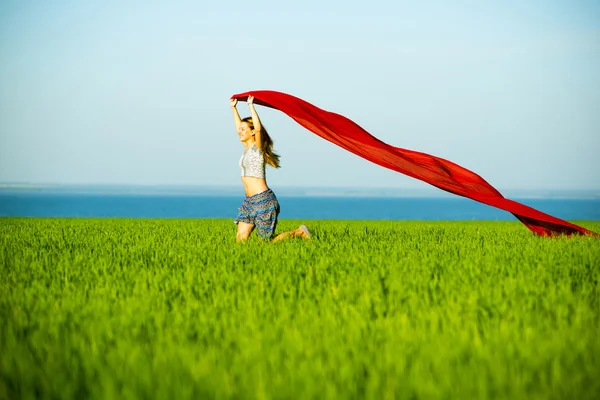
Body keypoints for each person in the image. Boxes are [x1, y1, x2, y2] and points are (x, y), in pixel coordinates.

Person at [230, 95, 311, 242]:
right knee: (240, 240)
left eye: (244, 130)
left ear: (252, 132)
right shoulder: (247, 149)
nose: (239, 132)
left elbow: (259, 129)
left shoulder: (257, 149)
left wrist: (251, 106)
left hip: (264, 200)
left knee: (266, 243)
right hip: (249, 201)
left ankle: (300, 232)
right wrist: (234, 108)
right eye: (240, 130)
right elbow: (238, 127)